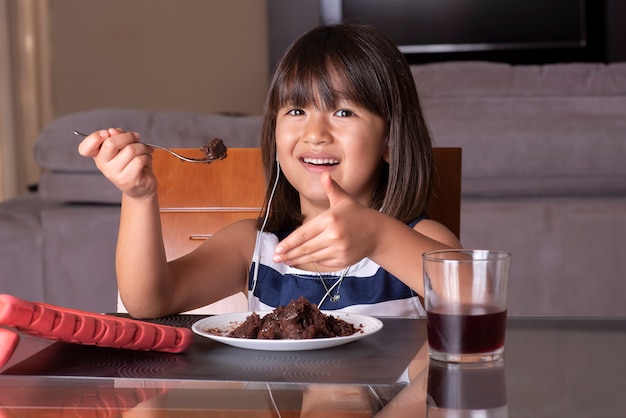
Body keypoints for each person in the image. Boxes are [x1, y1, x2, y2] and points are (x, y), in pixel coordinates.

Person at [78, 24, 461, 319]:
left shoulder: (418, 239)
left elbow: (475, 298)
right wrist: (139, 194)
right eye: (296, 111)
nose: (315, 133)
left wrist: (378, 238)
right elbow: (149, 302)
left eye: (343, 112)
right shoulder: (255, 247)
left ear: (390, 140)